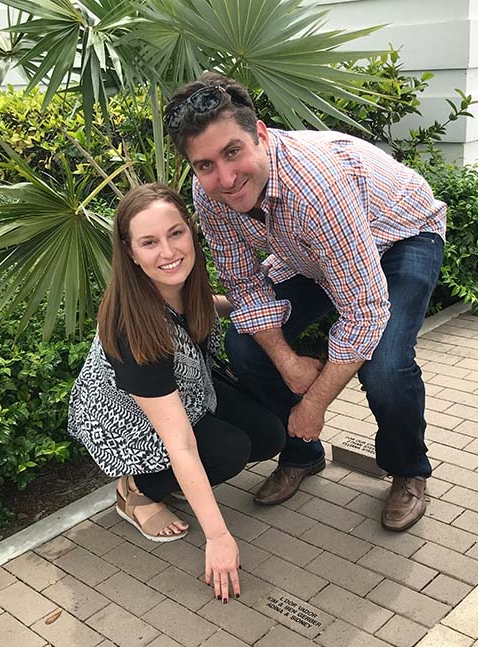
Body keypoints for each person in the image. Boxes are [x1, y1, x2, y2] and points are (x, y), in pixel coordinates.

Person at [164, 74, 447, 532]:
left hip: (400, 234)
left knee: (385, 364)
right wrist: (289, 361)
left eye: (233, 152)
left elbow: (364, 309)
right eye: (205, 164)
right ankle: (302, 452)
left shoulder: (315, 184)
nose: (226, 178)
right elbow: (244, 283)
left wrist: (313, 403)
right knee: (245, 344)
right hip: (311, 253)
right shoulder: (210, 195)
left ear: (259, 133)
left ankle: (407, 469)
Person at [68, 184, 285, 601]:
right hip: (128, 422)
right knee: (228, 450)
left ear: (191, 231)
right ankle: (136, 491)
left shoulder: (183, 281)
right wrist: (218, 536)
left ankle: (178, 483)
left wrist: (256, 304)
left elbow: (207, 304)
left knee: (269, 435)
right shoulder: (132, 328)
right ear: (130, 252)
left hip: (186, 389)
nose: (168, 252)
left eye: (176, 233)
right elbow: (180, 441)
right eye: (149, 242)